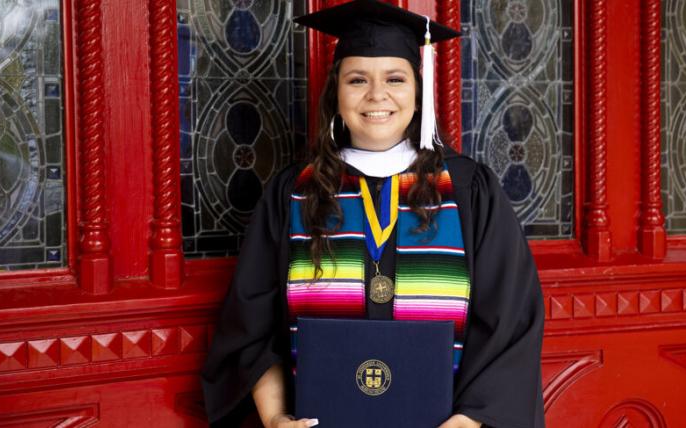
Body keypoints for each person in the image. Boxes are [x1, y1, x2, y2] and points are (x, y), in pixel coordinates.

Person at [201, 1, 545, 427]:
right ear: (336, 93)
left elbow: (510, 323)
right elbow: (249, 324)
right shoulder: (293, 193)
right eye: (357, 79)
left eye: (395, 79)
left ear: (418, 92)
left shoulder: (469, 191)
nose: (377, 95)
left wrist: (469, 422)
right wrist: (274, 419)